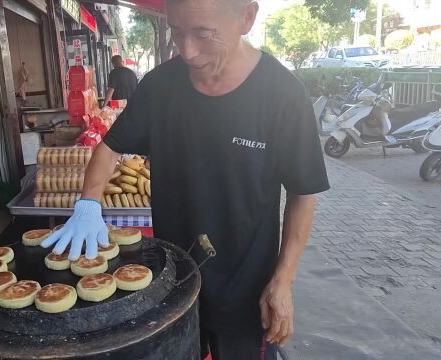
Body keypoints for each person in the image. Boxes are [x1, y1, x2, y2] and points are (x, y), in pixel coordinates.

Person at [42, 0, 329, 359]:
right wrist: (88, 205)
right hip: (172, 281)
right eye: (178, 32)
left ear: (247, 17)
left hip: (245, 289)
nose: (189, 51)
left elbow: (304, 193)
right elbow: (109, 148)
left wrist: (283, 280)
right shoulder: (161, 85)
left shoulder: (282, 94)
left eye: (204, 34)